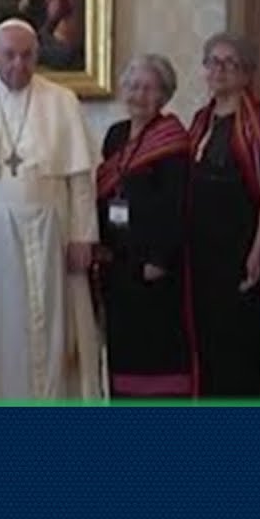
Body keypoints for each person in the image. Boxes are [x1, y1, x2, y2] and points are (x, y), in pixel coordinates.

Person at [0, 18, 102, 400]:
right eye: (9, 55)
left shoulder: (62, 100)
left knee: (51, 325)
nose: (19, 64)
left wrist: (82, 236)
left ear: (37, 56)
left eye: (27, 56)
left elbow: (80, 180)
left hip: (51, 231)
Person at [94, 54, 194, 398]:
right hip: (116, 260)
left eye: (148, 88)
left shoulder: (172, 139)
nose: (138, 95)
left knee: (155, 345)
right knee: (123, 345)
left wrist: (159, 257)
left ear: (164, 95)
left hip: (153, 264)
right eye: (133, 86)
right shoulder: (116, 135)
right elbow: (104, 190)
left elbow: (176, 203)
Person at [187, 33, 260, 397]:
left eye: (230, 63)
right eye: (213, 62)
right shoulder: (200, 120)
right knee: (209, 345)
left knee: (243, 348)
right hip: (204, 253)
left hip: (245, 247)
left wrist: (257, 250)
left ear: (247, 73)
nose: (220, 70)